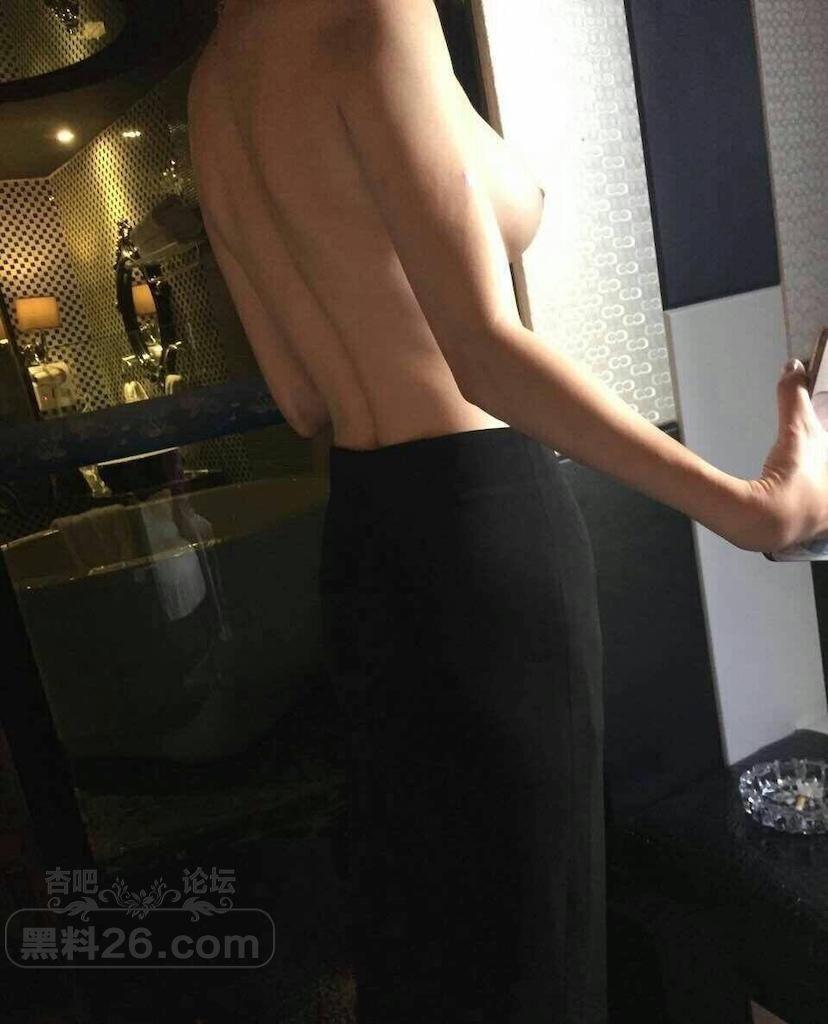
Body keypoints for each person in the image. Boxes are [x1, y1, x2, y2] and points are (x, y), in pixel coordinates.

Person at [187, 1, 828, 1020]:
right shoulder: (375, 16)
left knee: (436, 938)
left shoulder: (218, 76)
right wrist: (755, 509)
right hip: (477, 534)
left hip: (365, 540)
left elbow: (301, 398)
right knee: (539, 940)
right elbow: (482, 351)